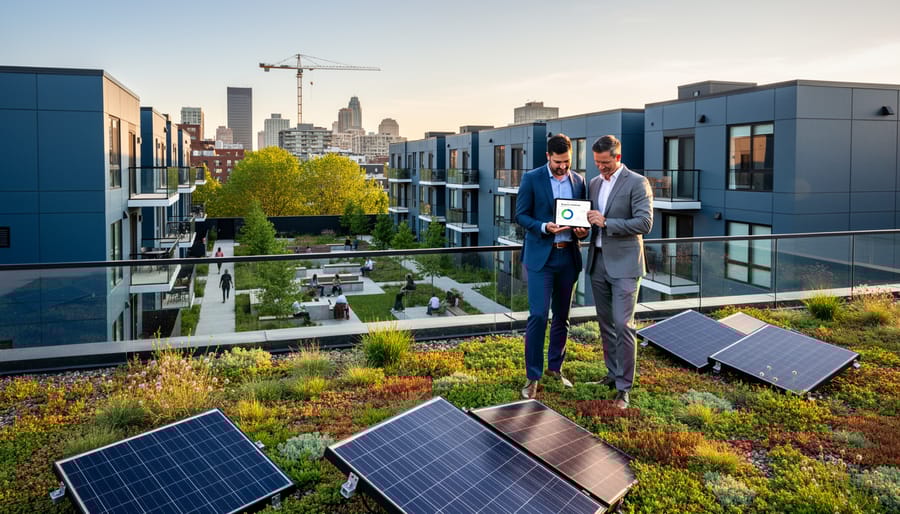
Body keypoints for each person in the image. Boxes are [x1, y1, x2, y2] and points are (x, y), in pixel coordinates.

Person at [515, 133, 589, 400]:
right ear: (548, 157)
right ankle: (532, 376)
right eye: (558, 162)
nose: (562, 167)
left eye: (567, 162)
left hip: (568, 257)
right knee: (537, 316)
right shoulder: (531, 178)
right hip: (540, 259)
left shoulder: (579, 181)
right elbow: (521, 215)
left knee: (562, 317)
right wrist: (543, 226)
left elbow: (584, 220)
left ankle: (555, 369)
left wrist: (582, 232)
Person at [585, 135, 653, 409]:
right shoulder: (593, 183)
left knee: (623, 325)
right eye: (597, 163)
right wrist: (583, 226)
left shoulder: (637, 182)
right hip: (597, 262)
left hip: (625, 265)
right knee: (605, 324)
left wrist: (607, 222)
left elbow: (645, 222)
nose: (600, 168)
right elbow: (590, 220)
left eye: (604, 163)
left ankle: (624, 388)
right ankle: (612, 375)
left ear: (617, 158)